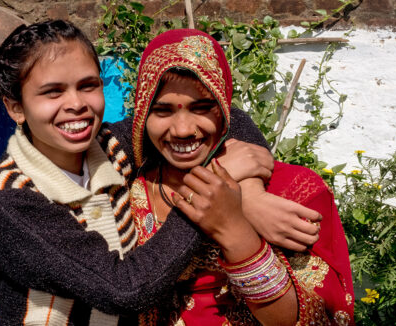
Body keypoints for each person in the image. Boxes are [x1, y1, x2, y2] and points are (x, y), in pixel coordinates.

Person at [0, 20, 315, 325]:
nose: (76, 103)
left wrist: (250, 196)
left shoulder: (111, 149)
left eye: (88, 85)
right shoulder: (8, 198)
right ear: (16, 106)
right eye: (52, 92)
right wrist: (210, 201)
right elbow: (123, 288)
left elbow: (227, 118)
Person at [128, 29, 355, 325]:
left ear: (224, 109)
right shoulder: (124, 189)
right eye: (162, 111)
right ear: (143, 113)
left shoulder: (294, 192)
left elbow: (317, 318)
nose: (182, 129)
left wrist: (238, 234)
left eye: (202, 108)